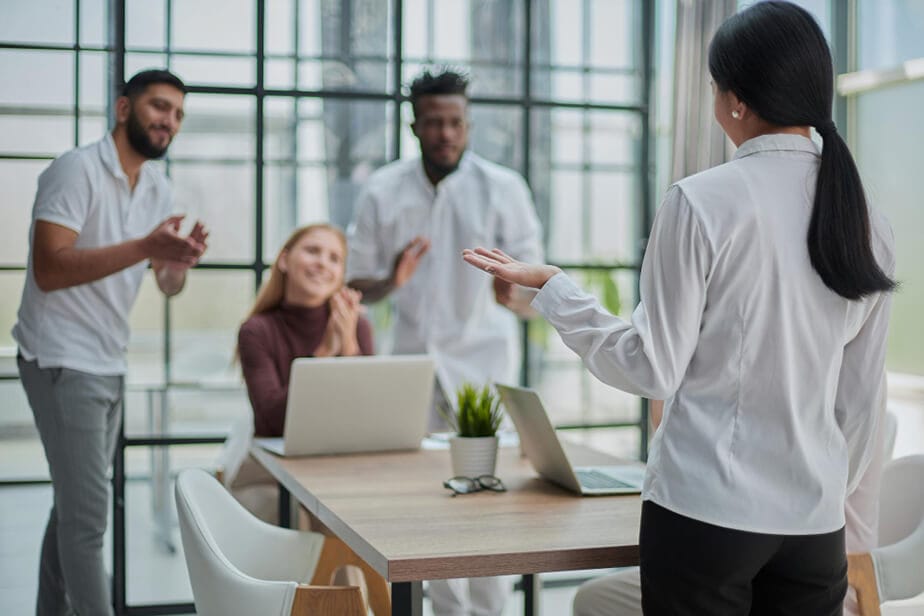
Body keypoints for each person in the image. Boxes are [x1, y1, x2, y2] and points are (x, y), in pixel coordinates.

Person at [463, 3, 894, 614]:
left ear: (736, 102)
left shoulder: (699, 201)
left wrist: (556, 289)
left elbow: (651, 369)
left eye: (715, 88)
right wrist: (819, 486)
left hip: (705, 515)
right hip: (812, 525)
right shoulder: (867, 217)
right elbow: (860, 400)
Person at [346, 69, 543, 616]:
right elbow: (357, 283)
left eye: (456, 122)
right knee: (428, 513)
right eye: (434, 122)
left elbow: (533, 292)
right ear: (414, 125)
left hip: (485, 372)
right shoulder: (382, 189)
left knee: (489, 509)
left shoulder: (505, 189)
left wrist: (513, 292)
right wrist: (393, 278)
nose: (446, 133)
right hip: (412, 373)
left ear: (469, 124)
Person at [13, 68, 207, 616]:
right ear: (124, 109)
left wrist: (175, 261)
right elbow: (50, 269)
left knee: (74, 509)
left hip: (107, 358)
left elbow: (164, 283)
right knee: (90, 519)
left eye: (177, 114)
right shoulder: (76, 171)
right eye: (159, 106)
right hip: (59, 357)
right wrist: (145, 243)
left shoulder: (157, 188)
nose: (169, 120)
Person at [237, 223, 373, 438]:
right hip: (278, 460)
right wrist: (324, 353)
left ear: (340, 275)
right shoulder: (256, 331)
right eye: (312, 251)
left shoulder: (358, 325)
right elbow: (271, 423)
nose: (322, 263)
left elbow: (370, 415)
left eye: (334, 259)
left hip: (345, 453)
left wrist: (348, 347)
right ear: (284, 260)